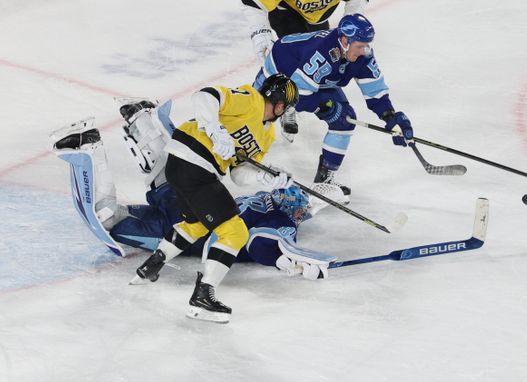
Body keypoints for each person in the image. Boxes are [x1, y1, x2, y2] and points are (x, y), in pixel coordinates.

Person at [51, 113, 336, 285]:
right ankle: (92, 148)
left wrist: (285, 257)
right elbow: (261, 243)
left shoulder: (269, 204)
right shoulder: (282, 218)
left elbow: (262, 240)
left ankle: (142, 125)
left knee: (163, 183)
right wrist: (286, 259)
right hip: (183, 227)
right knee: (113, 218)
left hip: (188, 207)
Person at [106, 75, 299, 323]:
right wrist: (215, 129)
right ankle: (202, 297)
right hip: (193, 164)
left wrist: (266, 177)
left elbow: (239, 174)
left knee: (195, 224)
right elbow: (205, 96)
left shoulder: (267, 135)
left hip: (190, 168)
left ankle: (152, 266)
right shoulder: (251, 100)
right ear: (279, 101)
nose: (285, 113)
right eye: (286, 106)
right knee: (236, 232)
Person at [253, 13, 414, 202]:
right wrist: (324, 108)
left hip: (316, 80)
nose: (364, 51)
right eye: (360, 46)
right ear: (345, 40)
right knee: (255, 119)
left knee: (344, 120)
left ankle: (324, 182)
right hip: (281, 70)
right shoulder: (323, 53)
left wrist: (390, 117)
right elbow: (298, 95)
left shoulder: (362, 54)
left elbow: (375, 90)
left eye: (366, 45)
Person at [242, 0, 369, 137]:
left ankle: (290, 99)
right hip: (286, 12)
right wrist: (261, 35)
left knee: (316, 63)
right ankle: (277, 106)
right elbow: (254, 2)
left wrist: (350, 28)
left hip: (318, 17)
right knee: (293, 60)